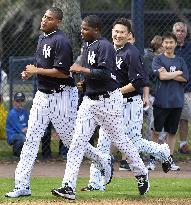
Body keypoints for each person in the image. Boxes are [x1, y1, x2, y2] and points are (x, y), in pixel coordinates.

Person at [5, 8, 113, 198]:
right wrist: (30, 72)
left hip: (62, 96)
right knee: (31, 139)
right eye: (44, 17)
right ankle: (22, 186)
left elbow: (63, 72)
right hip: (42, 95)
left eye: (50, 18)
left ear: (59, 22)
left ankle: (102, 159)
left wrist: (36, 70)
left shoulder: (61, 41)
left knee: (71, 140)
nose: (44, 20)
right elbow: (42, 67)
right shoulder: (42, 38)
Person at [51, 15, 149, 200]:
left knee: (121, 141)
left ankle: (141, 172)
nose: (82, 31)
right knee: (77, 143)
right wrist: (85, 84)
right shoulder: (88, 45)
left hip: (109, 101)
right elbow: (94, 75)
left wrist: (81, 70)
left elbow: (105, 74)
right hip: (90, 101)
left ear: (96, 29)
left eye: (85, 28)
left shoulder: (105, 46)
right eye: (116, 31)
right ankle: (68, 187)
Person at [79, 18, 172, 192]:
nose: (118, 34)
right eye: (116, 31)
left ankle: (162, 151)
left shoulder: (132, 53)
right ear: (111, 32)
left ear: (129, 35)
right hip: (111, 103)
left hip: (130, 102)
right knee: (103, 143)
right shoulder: (107, 49)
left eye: (122, 32)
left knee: (133, 142)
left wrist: (113, 92)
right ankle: (95, 181)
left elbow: (138, 82)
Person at [151, 32, 189, 171]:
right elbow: (161, 76)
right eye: (166, 42)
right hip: (161, 101)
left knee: (172, 132)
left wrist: (169, 74)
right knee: (156, 131)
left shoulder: (180, 60)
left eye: (171, 42)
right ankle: (152, 160)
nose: (168, 45)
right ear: (162, 44)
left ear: (175, 44)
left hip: (176, 102)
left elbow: (185, 78)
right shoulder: (158, 59)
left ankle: (168, 160)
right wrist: (177, 73)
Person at [172, 22, 191, 154]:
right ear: (173, 32)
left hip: (186, 89)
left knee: (184, 118)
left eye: (182, 31)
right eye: (177, 31)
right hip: (169, 89)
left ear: (186, 33)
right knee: (169, 118)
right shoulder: (168, 46)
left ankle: (183, 145)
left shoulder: (190, 47)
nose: (180, 33)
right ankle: (164, 147)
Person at [6, 92, 29, 159]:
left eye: (21, 100)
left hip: (24, 132)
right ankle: (16, 154)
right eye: (17, 101)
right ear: (14, 102)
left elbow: (29, 124)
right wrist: (30, 130)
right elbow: (21, 130)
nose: (19, 102)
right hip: (13, 135)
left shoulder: (25, 112)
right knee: (23, 137)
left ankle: (26, 154)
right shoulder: (12, 113)